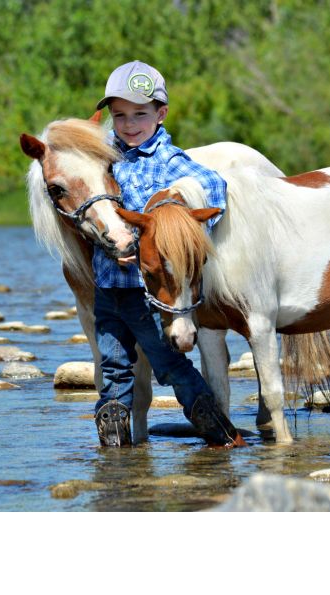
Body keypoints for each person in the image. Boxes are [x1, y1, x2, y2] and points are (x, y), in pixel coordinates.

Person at [92, 60, 245, 448]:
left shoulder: (167, 159)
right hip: (108, 282)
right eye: (120, 115)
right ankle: (116, 449)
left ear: (161, 114)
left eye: (140, 115)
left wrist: (185, 234)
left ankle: (218, 431)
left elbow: (214, 185)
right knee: (112, 365)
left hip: (150, 292)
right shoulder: (105, 155)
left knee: (169, 362)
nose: (129, 125)